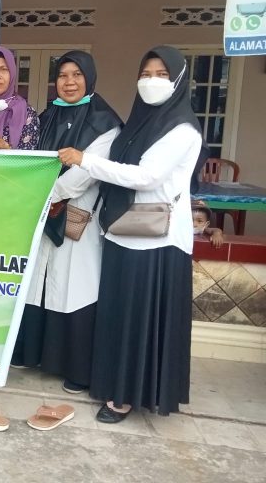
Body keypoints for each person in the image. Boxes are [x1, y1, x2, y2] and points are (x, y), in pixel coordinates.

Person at [58, 45, 202, 421]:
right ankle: (112, 385)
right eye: (145, 74)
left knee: (140, 320)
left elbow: (146, 176)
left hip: (157, 241)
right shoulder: (140, 123)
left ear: (178, 80)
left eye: (161, 75)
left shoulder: (182, 128)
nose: (151, 82)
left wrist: (86, 160)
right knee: (118, 317)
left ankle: (126, 397)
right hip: (121, 230)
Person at [13, 50, 122, 393]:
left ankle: (75, 367)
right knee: (39, 279)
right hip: (43, 211)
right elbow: (31, 160)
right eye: (62, 75)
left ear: (89, 78)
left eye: (77, 75)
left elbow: (83, 177)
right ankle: (31, 353)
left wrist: (45, 196)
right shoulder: (48, 116)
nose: (69, 82)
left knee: (75, 285)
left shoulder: (105, 122)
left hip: (78, 214)